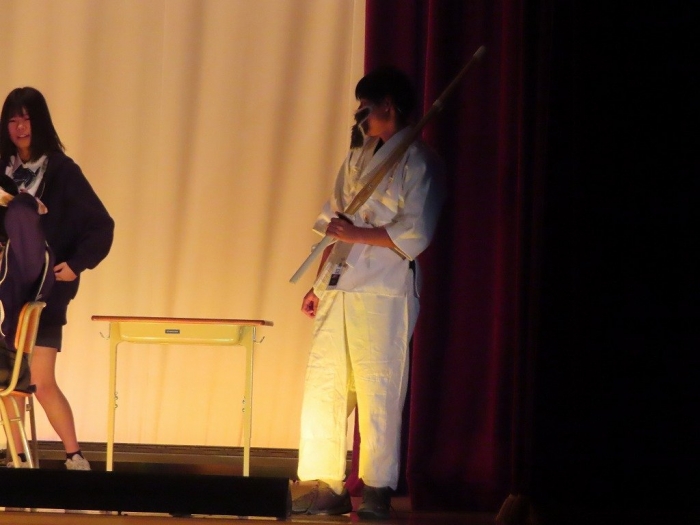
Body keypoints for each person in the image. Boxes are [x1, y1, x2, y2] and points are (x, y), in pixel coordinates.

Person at [291, 67, 445, 520]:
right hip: (340, 284)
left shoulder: (420, 162)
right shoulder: (356, 159)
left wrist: (356, 234)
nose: (359, 116)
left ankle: (377, 486)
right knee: (326, 383)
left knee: (379, 383)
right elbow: (335, 224)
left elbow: (414, 232)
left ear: (388, 107)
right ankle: (326, 483)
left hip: (384, 289)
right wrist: (318, 282)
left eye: (366, 107)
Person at [0, 87, 114, 469]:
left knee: (41, 382)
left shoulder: (62, 171)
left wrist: (76, 264)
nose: (20, 126)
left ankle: (74, 456)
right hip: (11, 289)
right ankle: (17, 460)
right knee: (11, 384)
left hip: (46, 293)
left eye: (26, 118)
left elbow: (101, 225)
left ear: (40, 122)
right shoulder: (3, 170)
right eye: (13, 119)